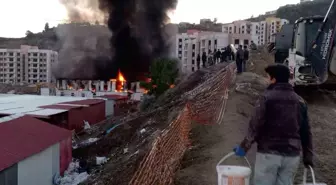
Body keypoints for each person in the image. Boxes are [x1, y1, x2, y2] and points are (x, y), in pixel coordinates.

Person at [233, 64, 313, 185]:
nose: (266, 80)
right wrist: (308, 156)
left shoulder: (266, 98)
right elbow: (306, 131)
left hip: (269, 154)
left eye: (267, 77)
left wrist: (244, 147)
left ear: (273, 79)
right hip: (292, 156)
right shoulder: (300, 101)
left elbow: (255, 125)